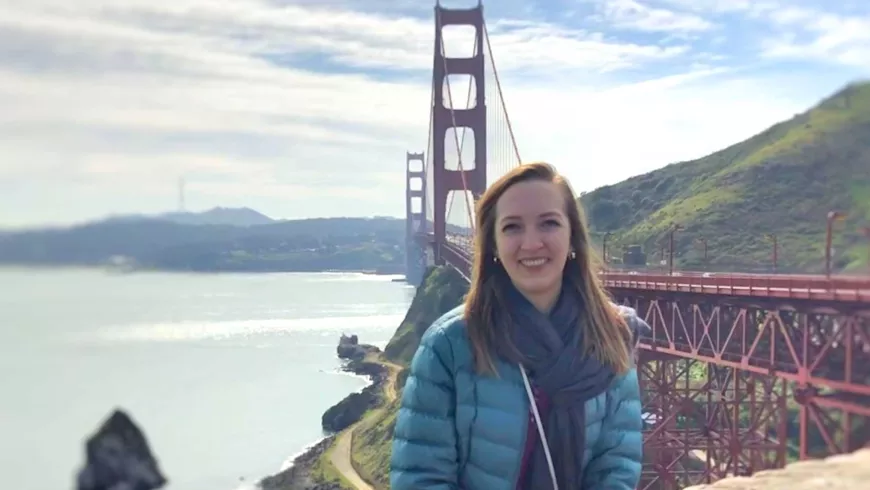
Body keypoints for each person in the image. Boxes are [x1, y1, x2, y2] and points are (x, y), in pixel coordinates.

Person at [390, 162, 648, 490]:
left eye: (549, 223)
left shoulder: (611, 335)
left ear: (573, 238)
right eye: (512, 227)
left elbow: (617, 466)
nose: (531, 243)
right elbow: (420, 477)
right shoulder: (449, 345)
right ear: (493, 245)